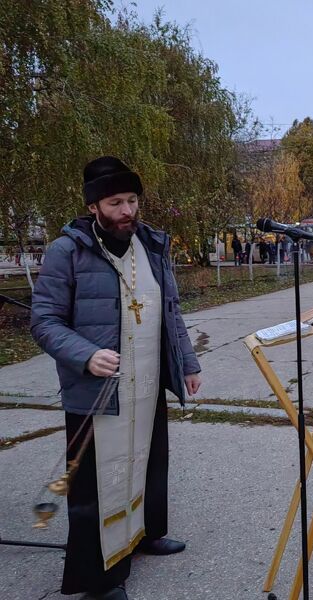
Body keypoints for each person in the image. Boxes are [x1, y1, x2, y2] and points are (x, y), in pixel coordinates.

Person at [30, 156, 201, 600]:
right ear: (93, 207)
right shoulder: (66, 250)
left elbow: (171, 312)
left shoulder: (152, 244)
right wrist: (85, 356)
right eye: (115, 202)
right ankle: (99, 579)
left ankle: (145, 534)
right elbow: (44, 321)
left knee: (147, 462)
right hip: (96, 391)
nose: (127, 211)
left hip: (146, 384)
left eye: (132, 200)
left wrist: (187, 363)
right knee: (96, 483)